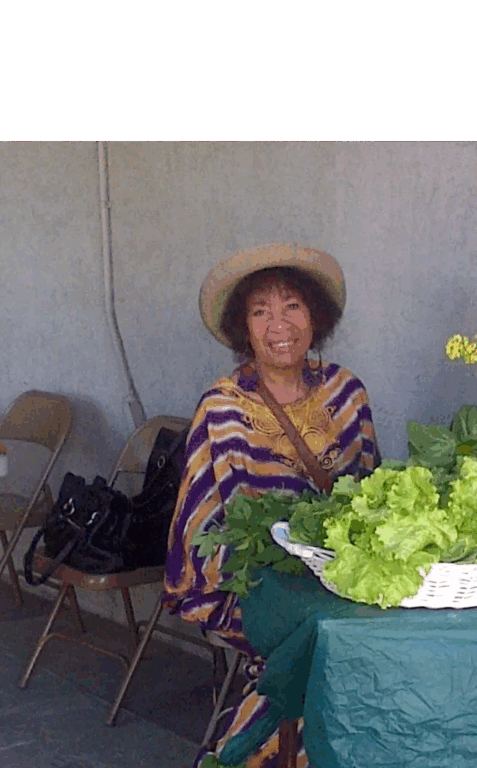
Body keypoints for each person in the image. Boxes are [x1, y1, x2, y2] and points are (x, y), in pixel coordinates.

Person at [163, 243, 381, 768]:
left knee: (367, 644)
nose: (278, 324)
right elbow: (201, 526)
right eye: (260, 311)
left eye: (292, 306)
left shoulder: (346, 392)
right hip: (256, 583)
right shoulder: (223, 407)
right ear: (244, 329)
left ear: (315, 318)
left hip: (340, 577)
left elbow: (374, 502)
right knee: (315, 644)